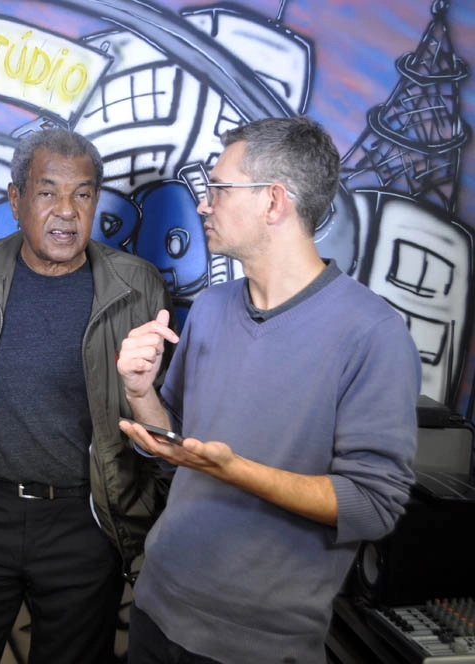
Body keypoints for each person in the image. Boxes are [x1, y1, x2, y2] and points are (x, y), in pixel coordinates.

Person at [117, 116, 420, 664]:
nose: (204, 204)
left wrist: (238, 471)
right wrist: (141, 392)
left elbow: (374, 506)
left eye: (219, 189)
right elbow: (177, 451)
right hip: (157, 609)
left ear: (274, 202)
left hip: (258, 647)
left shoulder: (372, 332)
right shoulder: (209, 309)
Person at [0, 128, 175, 663]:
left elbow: (159, 411)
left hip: (86, 522)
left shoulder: (137, 285)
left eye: (82, 194)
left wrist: (130, 507)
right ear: (16, 199)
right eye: (48, 191)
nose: (66, 211)